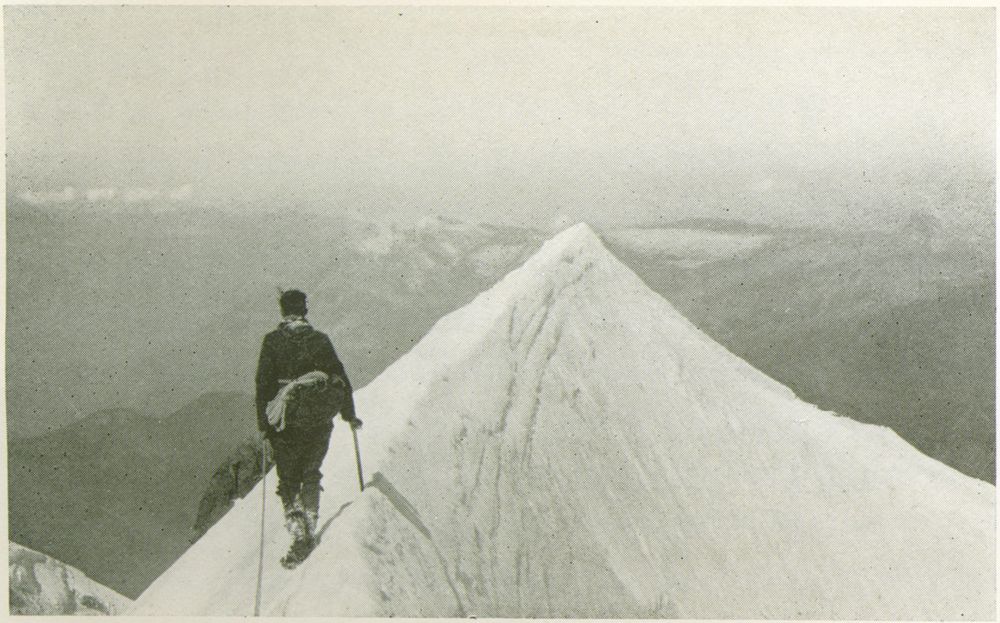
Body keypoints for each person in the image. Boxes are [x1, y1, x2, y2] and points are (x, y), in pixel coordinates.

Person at [255, 289, 361, 566]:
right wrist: (349, 414)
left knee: (288, 478)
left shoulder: (272, 341)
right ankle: (310, 523)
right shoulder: (319, 340)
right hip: (317, 417)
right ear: (305, 310)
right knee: (311, 471)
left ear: (282, 311)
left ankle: (298, 531)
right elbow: (340, 376)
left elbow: (263, 384)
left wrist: (264, 424)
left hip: (286, 421)